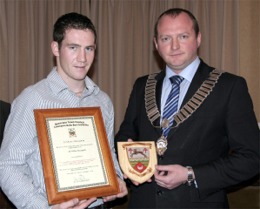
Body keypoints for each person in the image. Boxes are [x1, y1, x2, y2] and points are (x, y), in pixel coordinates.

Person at [115, 8, 259, 209]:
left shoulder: (228, 86)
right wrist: (130, 164)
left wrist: (191, 174)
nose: (174, 46)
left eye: (183, 36)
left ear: (198, 39)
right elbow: (125, 136)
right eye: (166, 38)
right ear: (156, 44)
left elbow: (252, 158)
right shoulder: (142, 86)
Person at [0, 12, 127, 209]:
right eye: (73, 48)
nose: (82, 58)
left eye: (89, 49)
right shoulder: (32, 99)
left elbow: (108, 152)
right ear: (55, 48)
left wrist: (116, 178)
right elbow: (7, 167)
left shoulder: (103, 101)